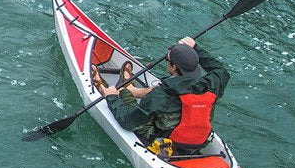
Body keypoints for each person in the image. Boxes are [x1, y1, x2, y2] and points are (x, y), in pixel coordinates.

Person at [90, 37, 230, 151]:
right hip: (199, 142)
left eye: (167, 60)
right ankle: (132, 88)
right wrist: (195, 48)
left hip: (166, 141)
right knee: (155, 96)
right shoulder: (213, 84)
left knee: (128, 99)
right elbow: (220, 69)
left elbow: (128, 120)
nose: (166, 63)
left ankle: (113, 90)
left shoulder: (164, 94)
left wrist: (112, 98)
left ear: (174, 67)